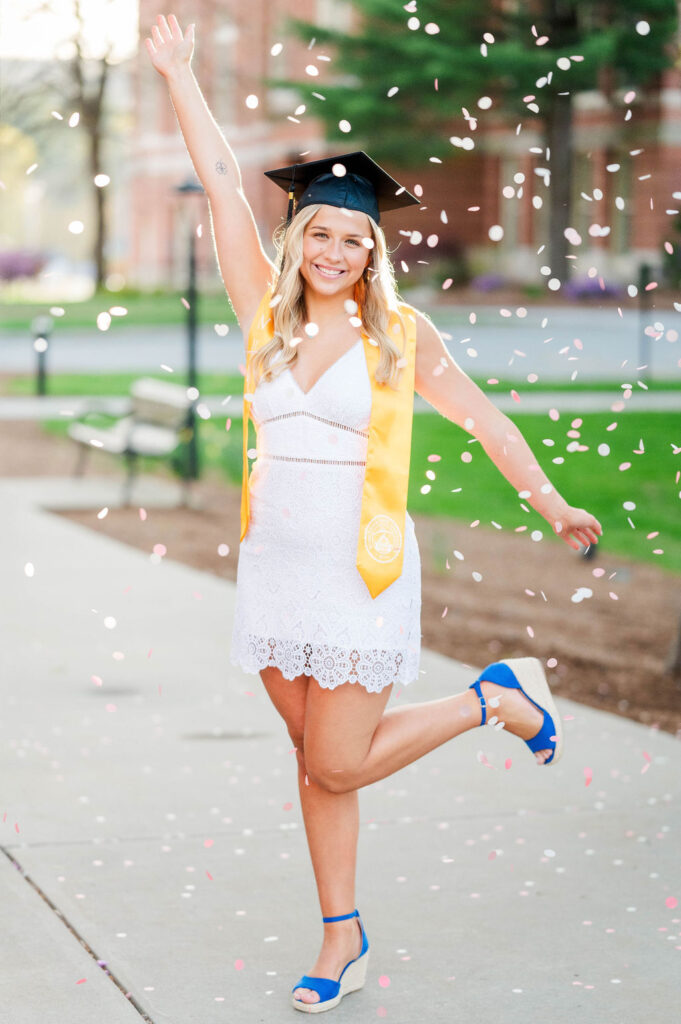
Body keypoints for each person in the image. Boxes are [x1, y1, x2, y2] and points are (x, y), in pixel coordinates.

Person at [146, 13, 603, 1014]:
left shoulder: (403, 335)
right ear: (296, 237)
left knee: (336, 757)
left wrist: (552, 499)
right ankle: (340, 937)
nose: (339, 249)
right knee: (317, 766)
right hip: (274, 572)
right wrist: (181, 76)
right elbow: (224, 183)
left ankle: (496, 695)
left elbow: (485, 421)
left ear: (373, 248)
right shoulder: (260, 318)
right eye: (323, 232)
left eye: (357, 236)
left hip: (361, 571)